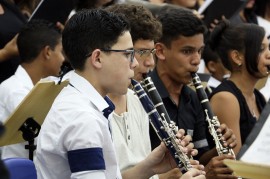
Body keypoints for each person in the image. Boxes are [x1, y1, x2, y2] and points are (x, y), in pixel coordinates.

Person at [35, 9, 206, 179]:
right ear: (97, 58)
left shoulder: (86, 103)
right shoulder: (82, 119)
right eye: (128, 54)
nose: (135, 63)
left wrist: (149, 167)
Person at [106, 4, 202, 179]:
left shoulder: (139, 100)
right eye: (142, 52)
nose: (150, 63)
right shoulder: (89, 106)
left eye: (151, 53)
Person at [149, 7, 238, 178]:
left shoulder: (195, 97)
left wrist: (218, 152)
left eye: (200, 51)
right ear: (160, 51)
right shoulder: (140, 99)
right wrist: (207, 173)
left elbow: (199, 157)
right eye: (187, 51)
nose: (197, 60)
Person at [0, 19, 64, 159]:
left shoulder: (53, 84)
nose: (63, 59)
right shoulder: (12, 89)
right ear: (47, 52)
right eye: (61, 52)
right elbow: (50, 135)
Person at [209, 19, 269, 155]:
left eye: (269, 48)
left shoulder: (258, 96)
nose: (269, 55)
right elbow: (235, 163)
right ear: (237, 57)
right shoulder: (226, 99)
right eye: (261, 49)